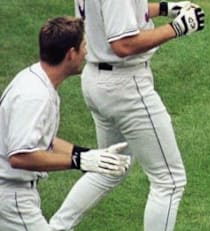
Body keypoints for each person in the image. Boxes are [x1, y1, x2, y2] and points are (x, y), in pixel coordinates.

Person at [48, 0, 206, 231]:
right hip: (125, 85)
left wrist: (165, 8)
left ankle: (54, 228)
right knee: (169, 180)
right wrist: (178, 28)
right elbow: (123, 43)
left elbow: (113, 13)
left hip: (96, 81)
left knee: (109, 166)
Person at [1, 16, 131, 230]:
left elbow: (43, 140)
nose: (86, 52)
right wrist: (80, 161)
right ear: (71, 54)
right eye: (83, 46)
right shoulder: (35, 96)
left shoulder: (35, 80)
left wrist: (88, 155)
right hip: (10, 196)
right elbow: (20, 156)